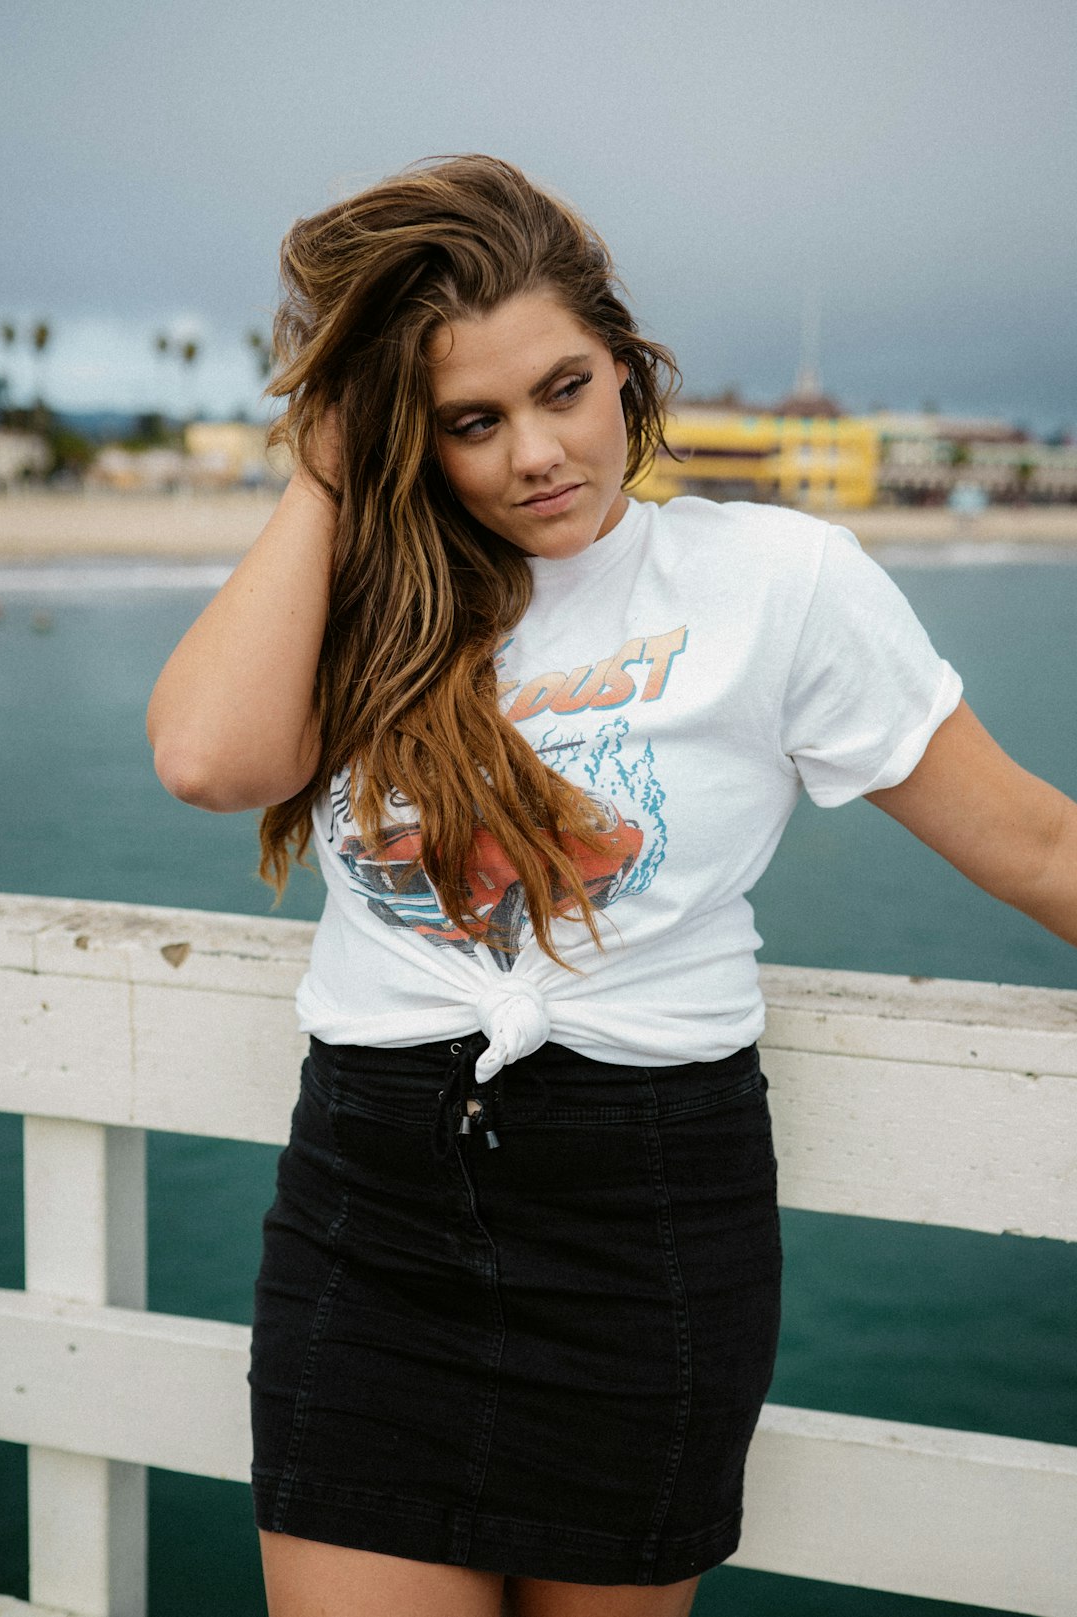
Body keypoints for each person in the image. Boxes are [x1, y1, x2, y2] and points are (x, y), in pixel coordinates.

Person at [146, 155, 1077, 1617]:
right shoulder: (361, 604)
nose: (536, 451)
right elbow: (208, 758)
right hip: (370, 1212)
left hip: (641, 1219)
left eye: (565, 388)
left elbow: (1038, 848)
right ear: (404, 435)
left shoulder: (780, 582)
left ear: (627, 369)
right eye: (471, 420)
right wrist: (329, 467)